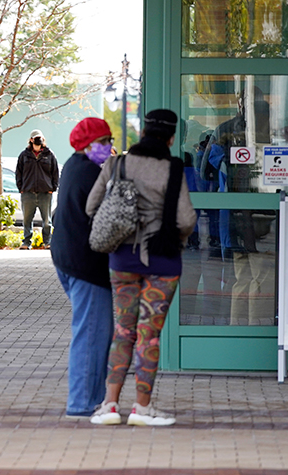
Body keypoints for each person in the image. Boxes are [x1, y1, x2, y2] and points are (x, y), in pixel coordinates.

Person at [86, 109, 197, 426]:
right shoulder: (172, 169)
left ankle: (109, 406)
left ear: (143, 132)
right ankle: (142, 409)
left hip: (122, 261)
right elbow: (186, 219)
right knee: (148, 337)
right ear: (171, 138)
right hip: (163, 263)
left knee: (123, 332)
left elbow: (91, 206)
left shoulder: (116, 163)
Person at [50, 118, 114, 418]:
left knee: (95, 332)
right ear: (89, 145)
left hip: (68, 258)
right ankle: (83, 402)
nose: (109, 147)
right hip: (85, 264)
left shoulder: (74, 165)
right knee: (92, 333)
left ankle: (93, 398)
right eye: (104, 142)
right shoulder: (90, 172)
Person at [15, 129, 59, 249]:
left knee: (46, 221)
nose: (38, 140)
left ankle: (47, 242)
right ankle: (26, 242)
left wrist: (53, 188)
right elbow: (18, 172)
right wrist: (21, 188)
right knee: (27, 220)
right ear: (31, 140)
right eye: (35, 138)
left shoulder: (49, 155)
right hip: (28, 192)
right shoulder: (24, 155)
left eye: (40, 137)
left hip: (45, 193)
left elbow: (55, 172)